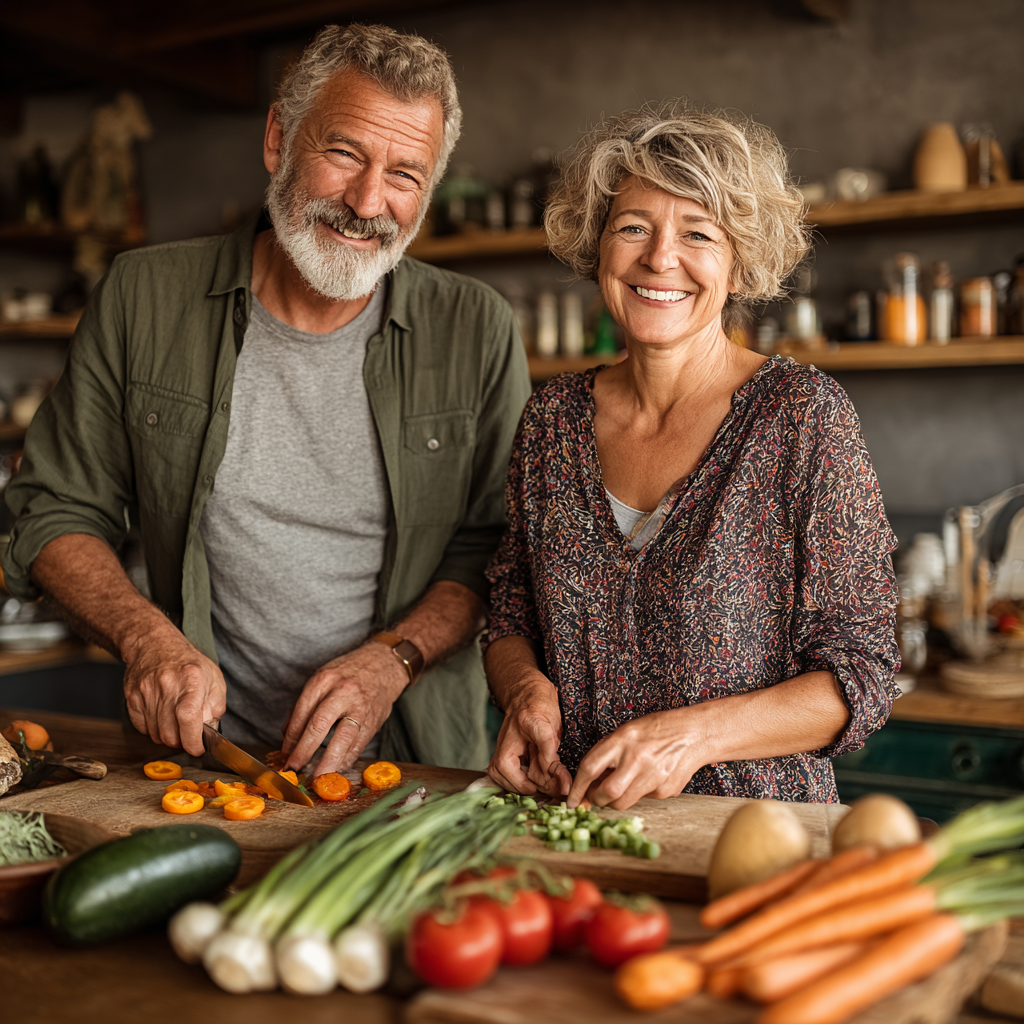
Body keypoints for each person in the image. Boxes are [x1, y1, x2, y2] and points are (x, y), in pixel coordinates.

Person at [2, 24, 530, 775]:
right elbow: (53, 507)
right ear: (280, 140)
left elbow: (496, 547)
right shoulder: (142, 296)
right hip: (196, 765)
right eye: (344, 152)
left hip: (412, 772)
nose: (367, 201)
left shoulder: (475, 328)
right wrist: (145, 638)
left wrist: (396, 659)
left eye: (406, 174)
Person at [484, 102, 898, 810]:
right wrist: (524, 691)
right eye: (634, 228)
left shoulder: (801, 418)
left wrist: (692, 736)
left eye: (698, 233)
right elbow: (509, 609)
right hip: (576, 828)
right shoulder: (550, 421)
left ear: (739, 266)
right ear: (598, 250)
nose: (659, 259)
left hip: (754, 836)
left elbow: (862, 676)